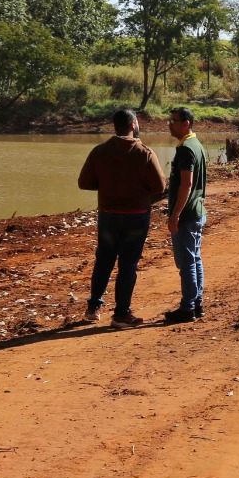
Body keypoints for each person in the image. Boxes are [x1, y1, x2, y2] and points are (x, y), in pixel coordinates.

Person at [77, 108, 167, 328]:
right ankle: (121, 314)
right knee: (128, 265)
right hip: (136, 217)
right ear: (134, 125)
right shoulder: (144, 152)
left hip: (108, 215)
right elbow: (159, 186)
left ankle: (93, 307)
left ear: (114, 126)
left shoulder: (100, 151)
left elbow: (84, 183)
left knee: (104, 261)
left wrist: (108, 186)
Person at [163, 106, 208, 324]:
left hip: (187, 215)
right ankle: (196, 303)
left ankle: (187, 307)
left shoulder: (186, 149)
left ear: (186, 124)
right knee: (195, 259)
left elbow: (187, 184)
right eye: (169, 120)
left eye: (174, 121)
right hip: (196, 212)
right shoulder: (195, 145)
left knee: (187, 262)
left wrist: (175, 215)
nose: (170, 124)